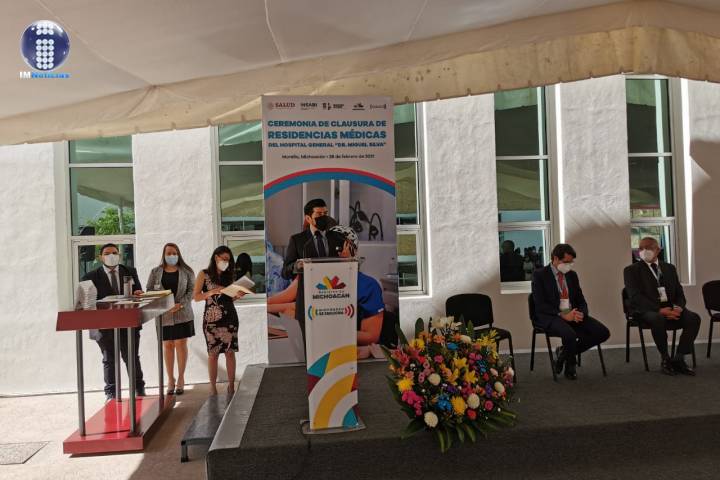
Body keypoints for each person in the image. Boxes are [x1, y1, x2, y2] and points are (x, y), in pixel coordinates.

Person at [531, 243, 610, 380]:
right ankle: (570, 364)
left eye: (571, 262)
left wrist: (582, 313)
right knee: (569, 334)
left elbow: (581, 299)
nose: (569, 265)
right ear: (555, 258)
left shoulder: (572, 275)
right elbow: (540, 304)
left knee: (602, 332)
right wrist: (563, 314)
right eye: (566, 262)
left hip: (572, 313)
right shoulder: (540, 275)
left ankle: (563, 354)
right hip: (551, 315)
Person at [623, 237, 700, 376]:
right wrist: (659, 310)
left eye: (648, 247)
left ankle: (679, 358)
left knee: (693, 318)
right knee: (658, 318)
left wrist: (678, 308)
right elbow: (635, 297)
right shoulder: (631, 270)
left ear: (658, 250)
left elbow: (679, 293)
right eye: (641, 248)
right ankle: (665, 359)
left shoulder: (669, 268)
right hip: (645, 310)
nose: (644, 251)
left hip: (670, 308)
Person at [82, 243, 145, 401]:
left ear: (120, 255)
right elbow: (86, 302)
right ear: (100, 257)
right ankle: (111, 393)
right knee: (109, 358)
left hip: (128, 323)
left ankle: (139, 389)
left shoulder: (130, 271)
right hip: (103, 326)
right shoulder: (90, 277)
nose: (111, 256)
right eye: (107, 253)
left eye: (114, 253)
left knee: (131, 357)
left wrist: (138, 293)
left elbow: (138, 291)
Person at [281, 198, 344, 339]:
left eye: (326, 213)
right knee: (310, 345)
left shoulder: (337, 238)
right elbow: (284, 272)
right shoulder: (298, 240)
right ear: (308, 218)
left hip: (333, 304)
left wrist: (346, 259)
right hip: (307, 304)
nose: (324, 217)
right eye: (319, 214)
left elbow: (347, 268)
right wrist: (297, 265)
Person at [193, 246, 245, 395]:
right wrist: (211, 292)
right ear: (216, 257)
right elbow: (196, 297)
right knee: (213, 354)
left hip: (230, 317)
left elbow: (229, 299)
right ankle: (213, 387)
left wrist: (237, 295)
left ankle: (231, 386)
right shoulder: (204, 274)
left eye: (228, 260)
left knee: (230, 352)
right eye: (224, 259)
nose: (226, 262)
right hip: (211, 320)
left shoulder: (230, 275)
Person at [146, 243, 195, 395]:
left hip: (183, 313)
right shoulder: (155, 272)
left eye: (174, 253)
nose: (171, 255)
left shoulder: (187, 271)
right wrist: (164, 304)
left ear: (178, 254)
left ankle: (181, 378)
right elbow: (149, 290)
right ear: (164, 255)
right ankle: (170, 380)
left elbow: (191, 291)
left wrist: (180, 304)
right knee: (167, 345)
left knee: (180, 343)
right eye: (168, 253)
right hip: (163, 315)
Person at [329, 226, 384, 350]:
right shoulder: (317, 282)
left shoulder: (368, 286)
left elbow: (371, 336)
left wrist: (329, 335)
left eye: (341, 246)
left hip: (353, 352)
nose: (337, 252)